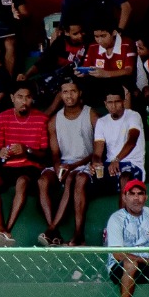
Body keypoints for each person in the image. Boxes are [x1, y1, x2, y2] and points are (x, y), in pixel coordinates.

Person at [0, 82, 51, 247]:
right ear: (12, 98)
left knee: (22, 181)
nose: (24, 101)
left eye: (28, 97)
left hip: (30, 167)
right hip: (8, 167)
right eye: (20, 97)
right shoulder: (2, 117)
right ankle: (1, 229)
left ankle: (7, 230)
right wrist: (0, 152)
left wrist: (26, 150)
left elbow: (44, 155)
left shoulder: (41, 119)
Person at [41, 78, 95, 246]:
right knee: (43, 181)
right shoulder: (54, 120)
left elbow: (98, 150)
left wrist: (72, 166)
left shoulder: (91, 114)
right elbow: (55, 153)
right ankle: (55, 233)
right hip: (65, 164)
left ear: (80, 93)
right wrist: (57, 166)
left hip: (85, 165)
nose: (69, 95)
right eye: (65, 92)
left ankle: (52, 229)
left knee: (72, 178)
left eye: (73, 91)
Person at [92, 85, 145, 188]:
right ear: (105, 104)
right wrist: (96, 163)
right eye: (110, 103)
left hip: (132, 163)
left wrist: (117, 160)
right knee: (81, 177)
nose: (113, 106)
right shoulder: (102, 122)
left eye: (117, 102)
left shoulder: (133, 116)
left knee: (124, 178)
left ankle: (123, 205)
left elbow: (132, 141)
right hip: (110, 164)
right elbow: (97, 153)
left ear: (123, 102)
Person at [81, 22, 137, 109]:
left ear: (114, 32)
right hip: (100, 84)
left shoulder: (127, 44)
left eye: (103, 36)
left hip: (121, 82)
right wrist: (82, 72)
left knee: (126, 85)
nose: (99, 40)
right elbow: (87, 67)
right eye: (96, 36)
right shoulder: (93, 46)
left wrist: (106, 74)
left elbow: (129, 70)